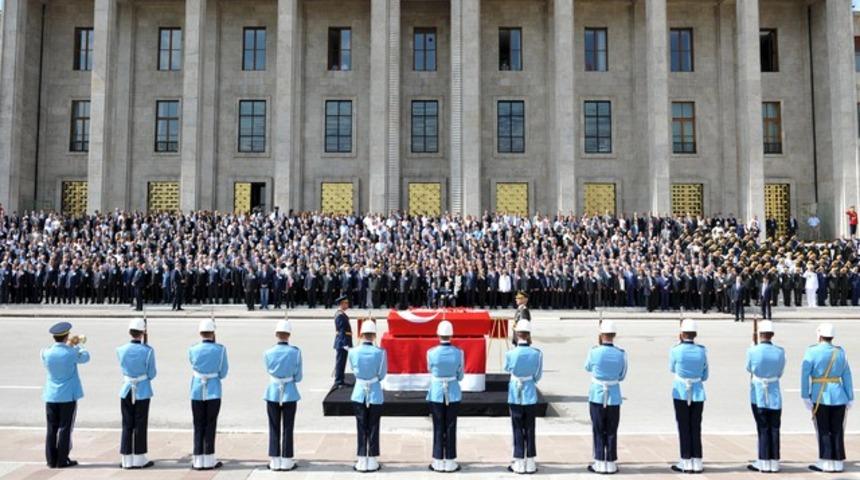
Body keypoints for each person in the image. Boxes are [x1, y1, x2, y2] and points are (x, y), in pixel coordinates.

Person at [801, 323, 854, 473]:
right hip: (839, 395)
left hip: (820, 396)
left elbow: (805, 375)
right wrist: (850, 397)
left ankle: (825, 461)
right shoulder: (840, 352)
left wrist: (805, 395)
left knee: (823, 428)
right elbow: (847, 375)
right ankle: (838, 461)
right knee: (837, 429)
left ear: (819, 335)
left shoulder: (811, 351)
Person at [42, 321, 90, 469]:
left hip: (51, 395)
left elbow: (45, 357)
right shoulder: (71, 353)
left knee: (51, 428)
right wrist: (75, 345)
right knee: (65, 428)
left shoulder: (46, 352)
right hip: (68, 395)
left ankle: (51, 460)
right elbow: (86, 357)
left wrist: (68, 345)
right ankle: (62, 459)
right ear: (66, 336)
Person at [584, 320, 627, 475]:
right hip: (613, 395)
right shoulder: (621, 353)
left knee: (598, 428)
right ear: (614, 335)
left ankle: (599, 461)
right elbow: (622, 375)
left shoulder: (594, 351)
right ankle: (611, 461)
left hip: (597, 394)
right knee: (611, 429)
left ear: (601, 335)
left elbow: (587, 367)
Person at [189, 318, 229, 470]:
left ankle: (197, 459)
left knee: (198, 423)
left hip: (196, 390)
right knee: (210, 423)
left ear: (200, 333)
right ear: (213, 333)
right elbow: (223, 372)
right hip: (213, 390)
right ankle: (209, 457)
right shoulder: (220, 349)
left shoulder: (193, 349)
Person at [116, 318, 157, 469]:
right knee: (140, 423)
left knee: (127, 423)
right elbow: (152, 373)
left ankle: (126, 458)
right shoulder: (148, 351)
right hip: (142, 390)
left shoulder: (121, 349)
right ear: (142, 333)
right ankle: (139, 457)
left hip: (126, 389)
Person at [745, 320, 785, 473]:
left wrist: (752, 349)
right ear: (772, 335)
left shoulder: (753, 351)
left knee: (762, 427)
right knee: (774, 427)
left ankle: (763, 460)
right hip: (774, 393)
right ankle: (774, 461)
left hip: (759, 393)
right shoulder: (780, 351)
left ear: (760, 334)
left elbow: (749, 368)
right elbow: (780, 371)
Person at [669, 319, 708, 474]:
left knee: (684, 426)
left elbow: (672, 368)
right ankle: (697, 460)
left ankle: (685, 459)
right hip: (697, 391)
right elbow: (705, 375)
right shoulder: (702, 351)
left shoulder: (675, 350)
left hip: (681, 391)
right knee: (696, 426)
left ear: (681, 334)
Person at [263, 319, 302, 472]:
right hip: (289, 392)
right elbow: (298, 377)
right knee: (288, 426)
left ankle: (274, 460)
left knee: (273, 426)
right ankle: (286, 460)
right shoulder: (295, 352)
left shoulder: (268, 352)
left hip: (273, 392)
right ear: (289, 335)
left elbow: (268, 370)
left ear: (276, 334)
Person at [505, 319, 543, 474]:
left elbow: (507, 368)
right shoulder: (537, 353)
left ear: (517, 334)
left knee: (517, 428)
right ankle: (531, 461)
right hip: (530, 392)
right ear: (529, 335)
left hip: (515, 393)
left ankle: (519, 461)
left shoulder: (510, 353)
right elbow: (537, 375)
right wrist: (529, 381)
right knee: (530, 427)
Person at [426, 320, 464, 473]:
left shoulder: (431, 352)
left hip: (436, 393)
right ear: (451, 335)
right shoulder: (459, 353)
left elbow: (430, 370)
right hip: (453, 392)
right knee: (450, 426)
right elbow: (460, 376)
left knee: (438, 426)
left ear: (438, 334)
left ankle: (437, 459)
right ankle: (450, 460)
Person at [349, 320, 387, 472]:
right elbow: (382, 374)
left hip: (359, 392)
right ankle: (372, 459)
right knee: (373, 426)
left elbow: (353, 370)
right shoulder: (380, 353)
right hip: (375, 392)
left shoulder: (353, 352)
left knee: (361, 426)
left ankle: (361, 459)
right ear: (374, 335)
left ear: (361, 334)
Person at [333, 295, 352, 389]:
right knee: (340, 362)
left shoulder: (342, 314)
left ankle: (341, 379)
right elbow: (341, 331)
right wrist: (345, 343)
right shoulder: (340, 315)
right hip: (342, 342)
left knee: (342, 362)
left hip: (344, 341)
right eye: (346, 303)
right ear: (341, 304)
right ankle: (338, 381)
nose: (347, 304)